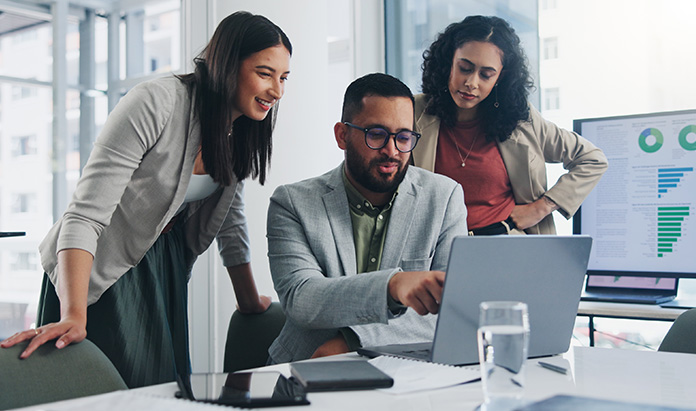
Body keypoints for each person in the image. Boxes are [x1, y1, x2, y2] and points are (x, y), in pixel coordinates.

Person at [0, 11, 292, 388]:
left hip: (162, 266)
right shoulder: (158, 102)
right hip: (100, 266)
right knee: (116, 391)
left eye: (284, 78)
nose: (277, 91)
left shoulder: (239, 131)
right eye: (265, 73)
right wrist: (74, 313)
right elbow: (84, 215)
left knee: (162, 390)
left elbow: (228, 217)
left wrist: (249, 300)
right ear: (225, 65)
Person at [266, 73, 468, 363]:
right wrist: (393, 286)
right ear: (342, 135)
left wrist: (352, 340)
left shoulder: (444, 197)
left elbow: (453, 308)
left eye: (403, 137)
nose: (392, 151)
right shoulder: (292, 203)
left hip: (408, 371)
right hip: (305, 366)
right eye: (376, 134)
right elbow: (303, 299)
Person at [413, 15, 608, 235]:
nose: (471, 83)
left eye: (486, 75)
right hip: (437, 251)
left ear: (500, 78)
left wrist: (542, 207)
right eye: (465, 68)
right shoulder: (412, 113)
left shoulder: (521, 119)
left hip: (508, 245)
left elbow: (592, 159)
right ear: (448, 62)